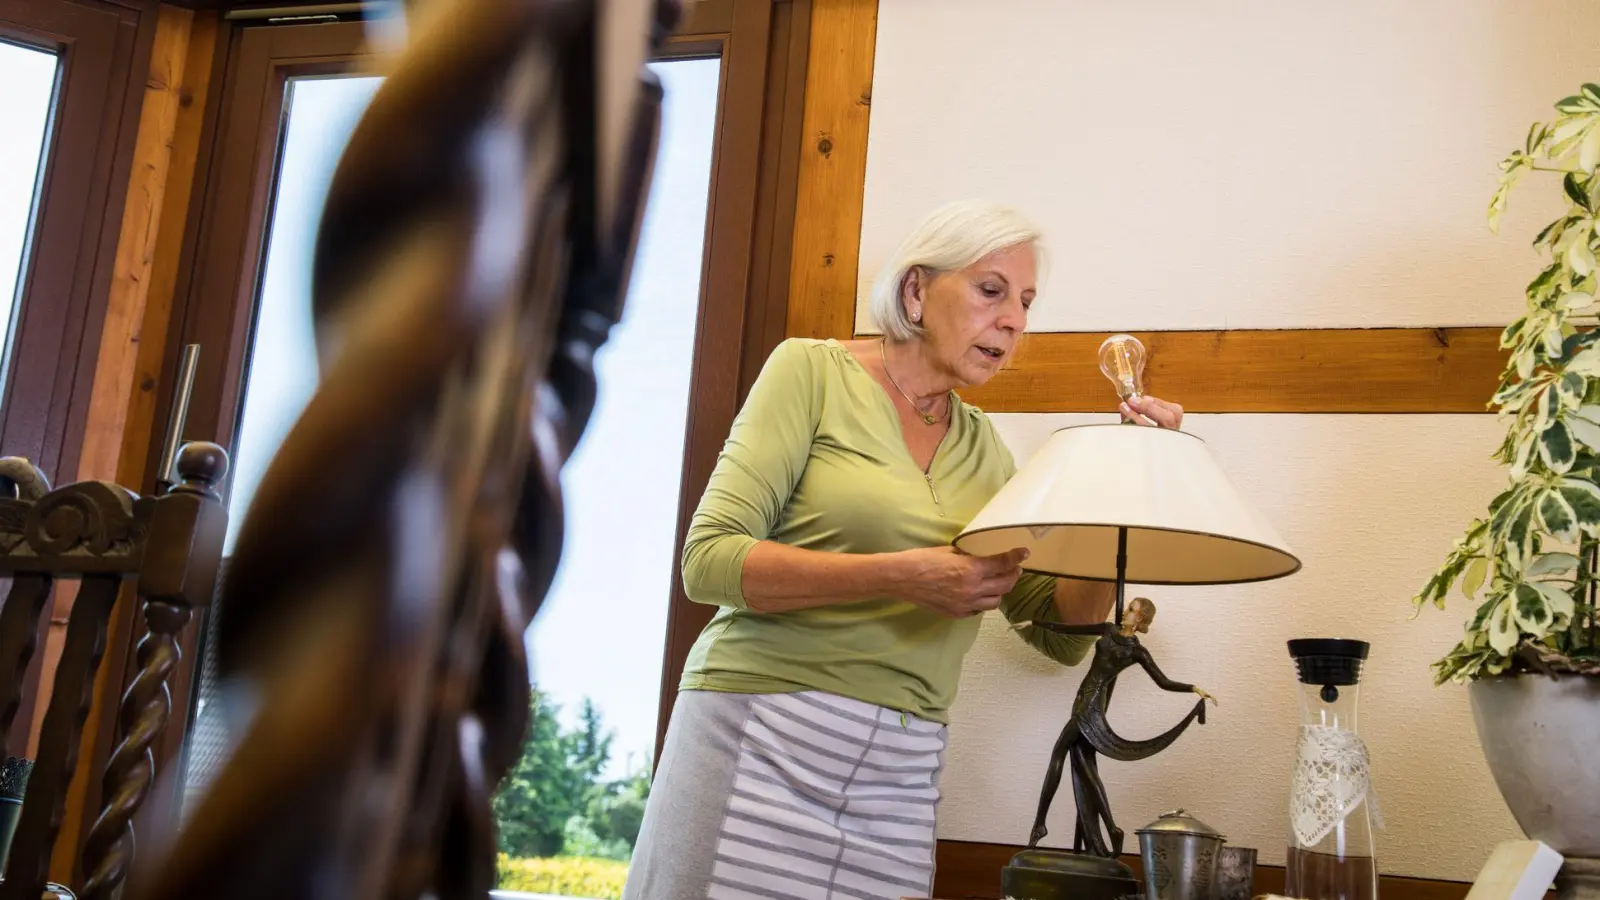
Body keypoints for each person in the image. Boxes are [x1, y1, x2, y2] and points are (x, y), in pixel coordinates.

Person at [622, 200, 1185, 900]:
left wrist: (1115, 493)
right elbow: (709, 561)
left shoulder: (988, 457)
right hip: (760, 734)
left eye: (1027, 303)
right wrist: (904, 576)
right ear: (916, 291)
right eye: (991, 290)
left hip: (901, 774)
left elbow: (1059, 633)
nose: (1014, 320)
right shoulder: (810, 374)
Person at [1023, 597, 1217, 859]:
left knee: (1058, 753)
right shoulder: (1108, 630)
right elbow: (1069, 628)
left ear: (1140, 620)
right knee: (1085, 767)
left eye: (1132, 610)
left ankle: (1040, 824)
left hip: (1090, 704)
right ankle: (1110, 829)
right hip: (1086, 698)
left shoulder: (1138, 651)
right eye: (1128, 608)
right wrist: (1035, 623)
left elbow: (1163, 682)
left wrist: (1193, 689)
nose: (1125, 612)